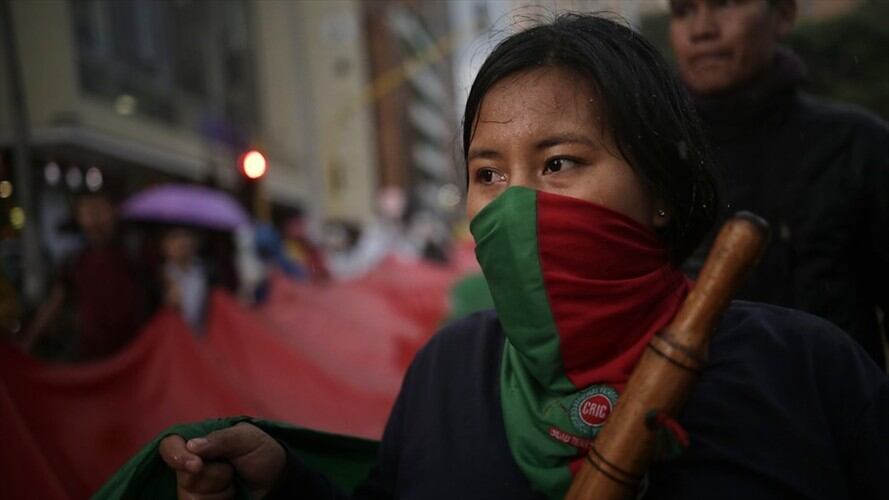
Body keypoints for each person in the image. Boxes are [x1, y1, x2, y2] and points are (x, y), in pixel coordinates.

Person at [157, 14, 887, 499]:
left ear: (660, 189)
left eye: (561, 163)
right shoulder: (447, 374)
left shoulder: (806, 371)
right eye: (488, 174)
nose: (516, 204)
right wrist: (284, 484)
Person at [669, 0, 889, 369]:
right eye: (683, 11)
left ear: (784, 16)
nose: (702, 29)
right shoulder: (653, 159)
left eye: (725, 5)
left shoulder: (856, 145)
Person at [22, 191, 147, 361]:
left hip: (131, 354)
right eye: (88, 213)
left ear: (114, 212)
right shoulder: (75, 261)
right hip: (90, 356)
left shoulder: (134, 255)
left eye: (99, 211)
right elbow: (56, 300)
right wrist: (30, 338)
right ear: (79, 218)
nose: (94, 221)